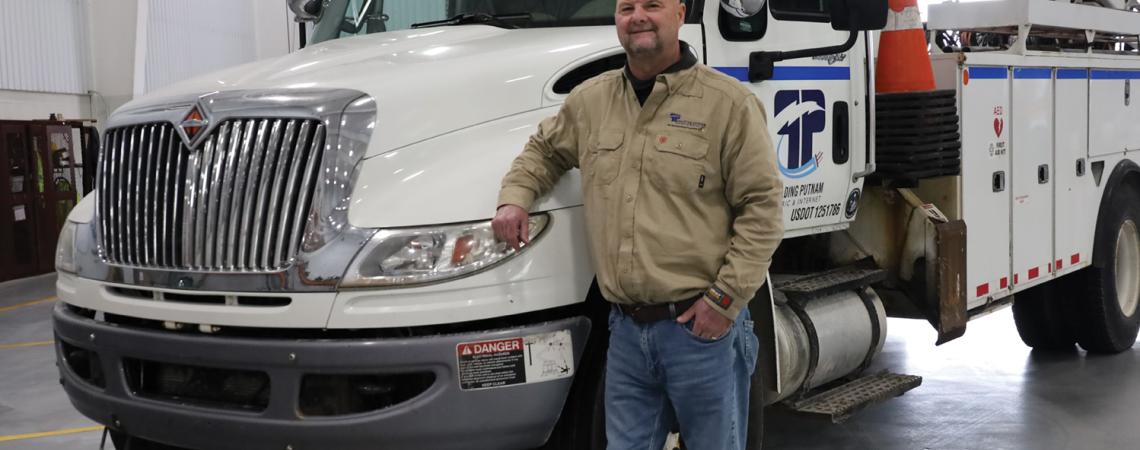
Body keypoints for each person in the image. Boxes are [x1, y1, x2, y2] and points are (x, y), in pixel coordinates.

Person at [492, 0, 783, 448]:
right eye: (626, 7)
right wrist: (515, 199)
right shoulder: (592, 101)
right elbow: (544, 151)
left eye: (652, 5)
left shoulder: (729, 104)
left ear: (680, 14)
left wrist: (723, 302)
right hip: (626, 334)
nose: (638, 17)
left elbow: (762, 208)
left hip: (700, 332)